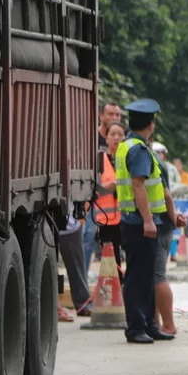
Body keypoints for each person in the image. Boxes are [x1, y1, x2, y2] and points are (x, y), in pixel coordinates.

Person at [116, 98, 185, 344]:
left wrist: (171, 216)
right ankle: (136, 327)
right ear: (151, 124)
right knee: (137, 277)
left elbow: (160, 189)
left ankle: (149, 324)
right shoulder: (138, 150)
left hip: (139, 220)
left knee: (146, 277)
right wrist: (148, 220)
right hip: (138, 222)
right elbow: (138, 185)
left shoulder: (130, 146)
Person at [84, 101, 123, 271]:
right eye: (111, 114)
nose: (116, 138)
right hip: (101, 209)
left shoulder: (127, 157)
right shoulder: (93, 146)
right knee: (90, 238)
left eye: (117, 115)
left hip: (122, 213)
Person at [93, 120, 126, 281]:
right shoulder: (99, 161)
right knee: (110, 257)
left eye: (120, 135)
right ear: (106, 138)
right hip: (106, 219)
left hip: (126, 216)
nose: (116, 138)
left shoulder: (128, 160)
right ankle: (114, 288)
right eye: (112, 134)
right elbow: (93, 188)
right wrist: (108, 187)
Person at [152, 149, 178, 335]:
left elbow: (167, 196)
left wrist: (174, 220)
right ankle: (156, 323)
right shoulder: (153, 160)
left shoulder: (150, 161)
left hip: (159, 225)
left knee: (157, 276)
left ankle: (168, 325)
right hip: (160, 223)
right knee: (152, 277)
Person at [59, 214, 92, 320]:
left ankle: (84, 305)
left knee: (77, 268)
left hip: (71, 227)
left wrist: (81, 219)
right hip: (48, 226)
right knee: (50, 270)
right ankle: (55, 308)